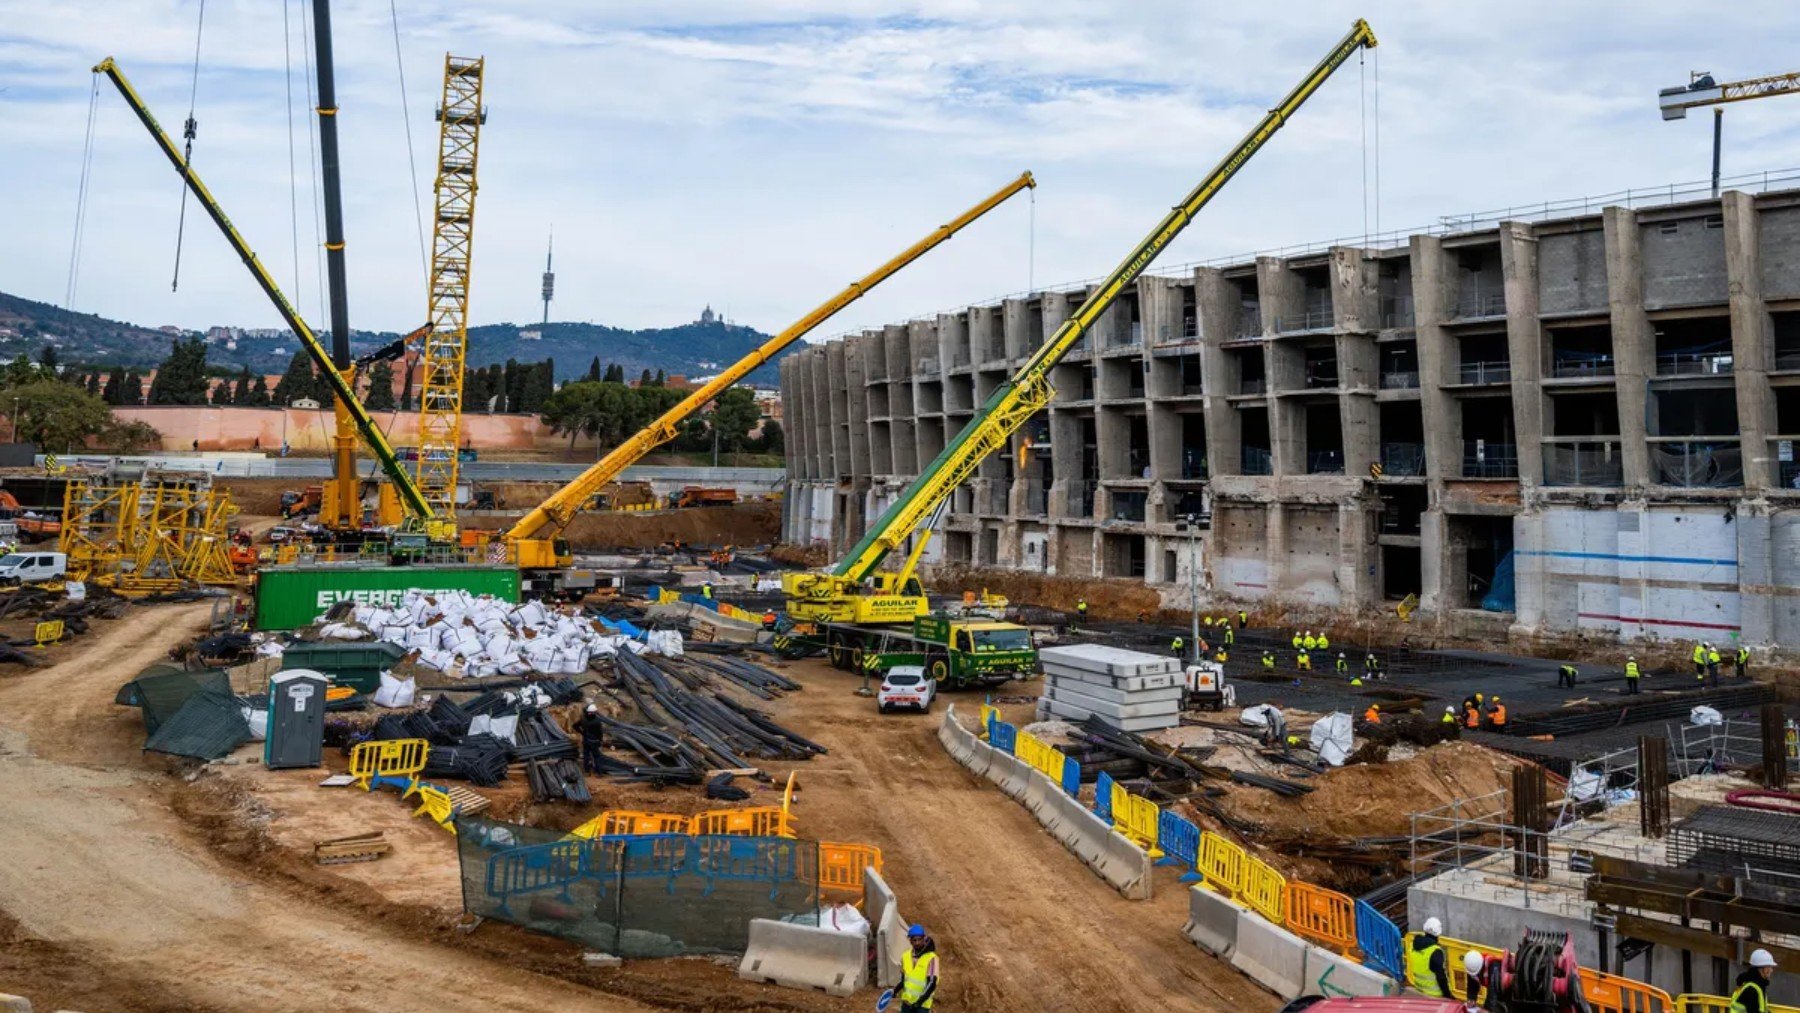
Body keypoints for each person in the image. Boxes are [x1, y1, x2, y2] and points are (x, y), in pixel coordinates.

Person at [1408, 917, 1453, 999]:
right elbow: (1441, 977)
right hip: (1435, 994)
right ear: (1438, 932)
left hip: (1419, 989)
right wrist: (1448, 995)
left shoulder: (1413, 946)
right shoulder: (1435, 951)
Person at [900, 924, 939, 1012]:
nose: (917, 942)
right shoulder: (905, 956)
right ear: (910, 941)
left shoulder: (931, 958)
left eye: (919, 939)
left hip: (922, 1006)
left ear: (924, 939)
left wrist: (919, 1002)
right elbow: (904, 978)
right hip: (906, 1003)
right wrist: (896, 989)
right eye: (914, 940)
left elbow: (932, 983)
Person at [1732, 949, 1778, 1013]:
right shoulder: (1752, 989)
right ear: (1763, 969)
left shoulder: (1756, 985)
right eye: (1770, 967)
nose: (1771, 970)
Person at [578, 703, 606, 773]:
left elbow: (575, 726)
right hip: (594, 742)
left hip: (586, 741)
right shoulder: (597, 721)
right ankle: (599, 772)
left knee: (586, 757)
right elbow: (600, 733)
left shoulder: (583, 719)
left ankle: (587, 771)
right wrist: (600, 740)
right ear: (594, 712)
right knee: (596, 757)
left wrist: (582, 732)